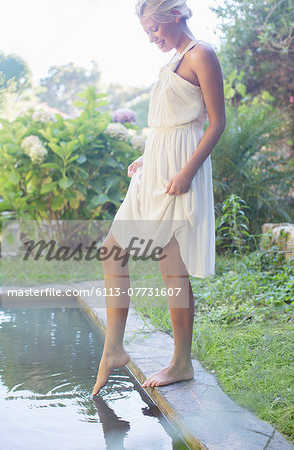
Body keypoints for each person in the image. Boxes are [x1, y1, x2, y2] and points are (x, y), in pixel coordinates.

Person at [92, 0, 225, 396]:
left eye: (155, 29)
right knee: (112, 250)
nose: (152, 38)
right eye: (147, 33)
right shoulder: (168, 64)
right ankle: (114, 348)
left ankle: (181, 362)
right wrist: (147, 156)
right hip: (156, 168)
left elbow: (215, 123)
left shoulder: (201, 54)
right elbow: (170, 126)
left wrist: (186, 172)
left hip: (181, 172)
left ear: (175, 16)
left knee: (172, 268)